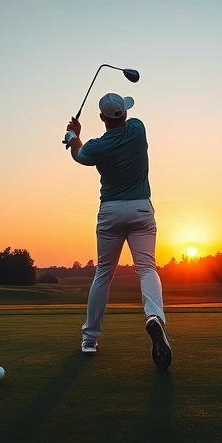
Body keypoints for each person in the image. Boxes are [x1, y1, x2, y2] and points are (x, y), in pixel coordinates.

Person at [64, 93, 172, 370]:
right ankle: (154, 317)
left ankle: (89, 340)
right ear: (123, 113)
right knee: (147, 268)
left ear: (102, 118)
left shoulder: (97, 147)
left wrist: (74, 135)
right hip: (140, 209)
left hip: (110, 211)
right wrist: (76, 139)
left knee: (104, 273)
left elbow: (78, 155)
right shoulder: (138, 129)